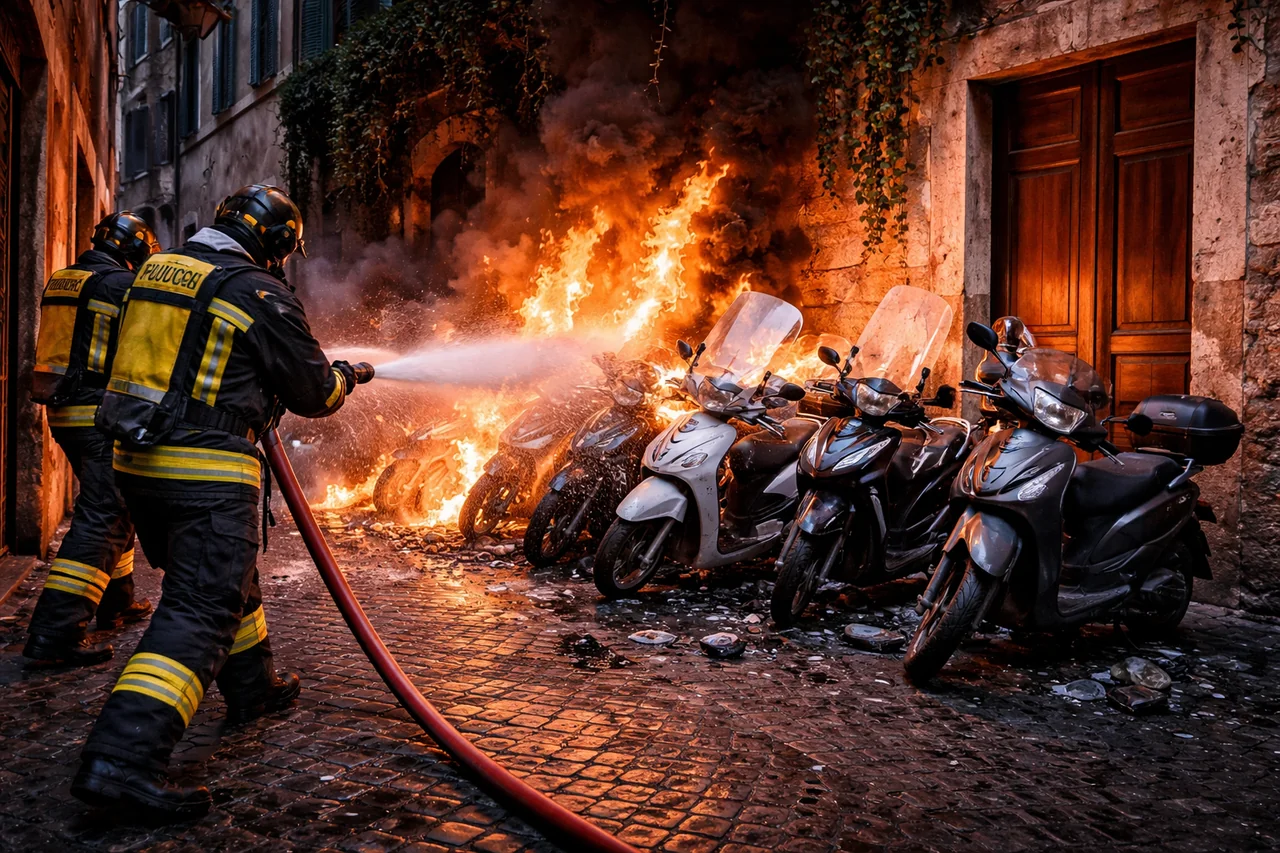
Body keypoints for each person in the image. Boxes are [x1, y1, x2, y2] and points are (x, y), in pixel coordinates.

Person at [70, 185, 369, 820]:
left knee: (224, 581)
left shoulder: (156, 271)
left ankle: (251, 686)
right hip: (205, 471)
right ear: (275, 247)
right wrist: (347, 376)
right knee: (199, 612)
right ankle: (121, 762)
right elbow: (315, 392)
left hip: (136, 464)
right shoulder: (257, 292)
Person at [24, 212, 160, 667]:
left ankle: (116, 601)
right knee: (103, 517)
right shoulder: (119, 287)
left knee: (114, 506)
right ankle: (55, 633)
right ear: (134, 251)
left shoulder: (63, 279)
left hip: (63, 413)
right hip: (98, 414)